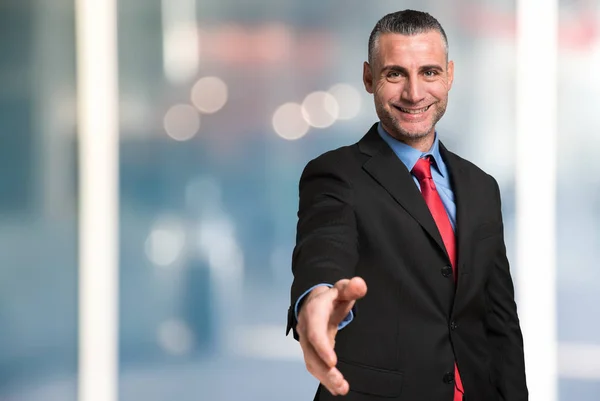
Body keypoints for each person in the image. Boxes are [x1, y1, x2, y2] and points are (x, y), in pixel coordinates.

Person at [285, 9, 528, 401]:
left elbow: (499, 322)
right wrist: (317, 299)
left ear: (449, 75)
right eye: (395, 74)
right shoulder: (335, 174)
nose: (414, 93)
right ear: (368, 78)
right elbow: (325, 244)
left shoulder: (482, 187)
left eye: (429, 72)